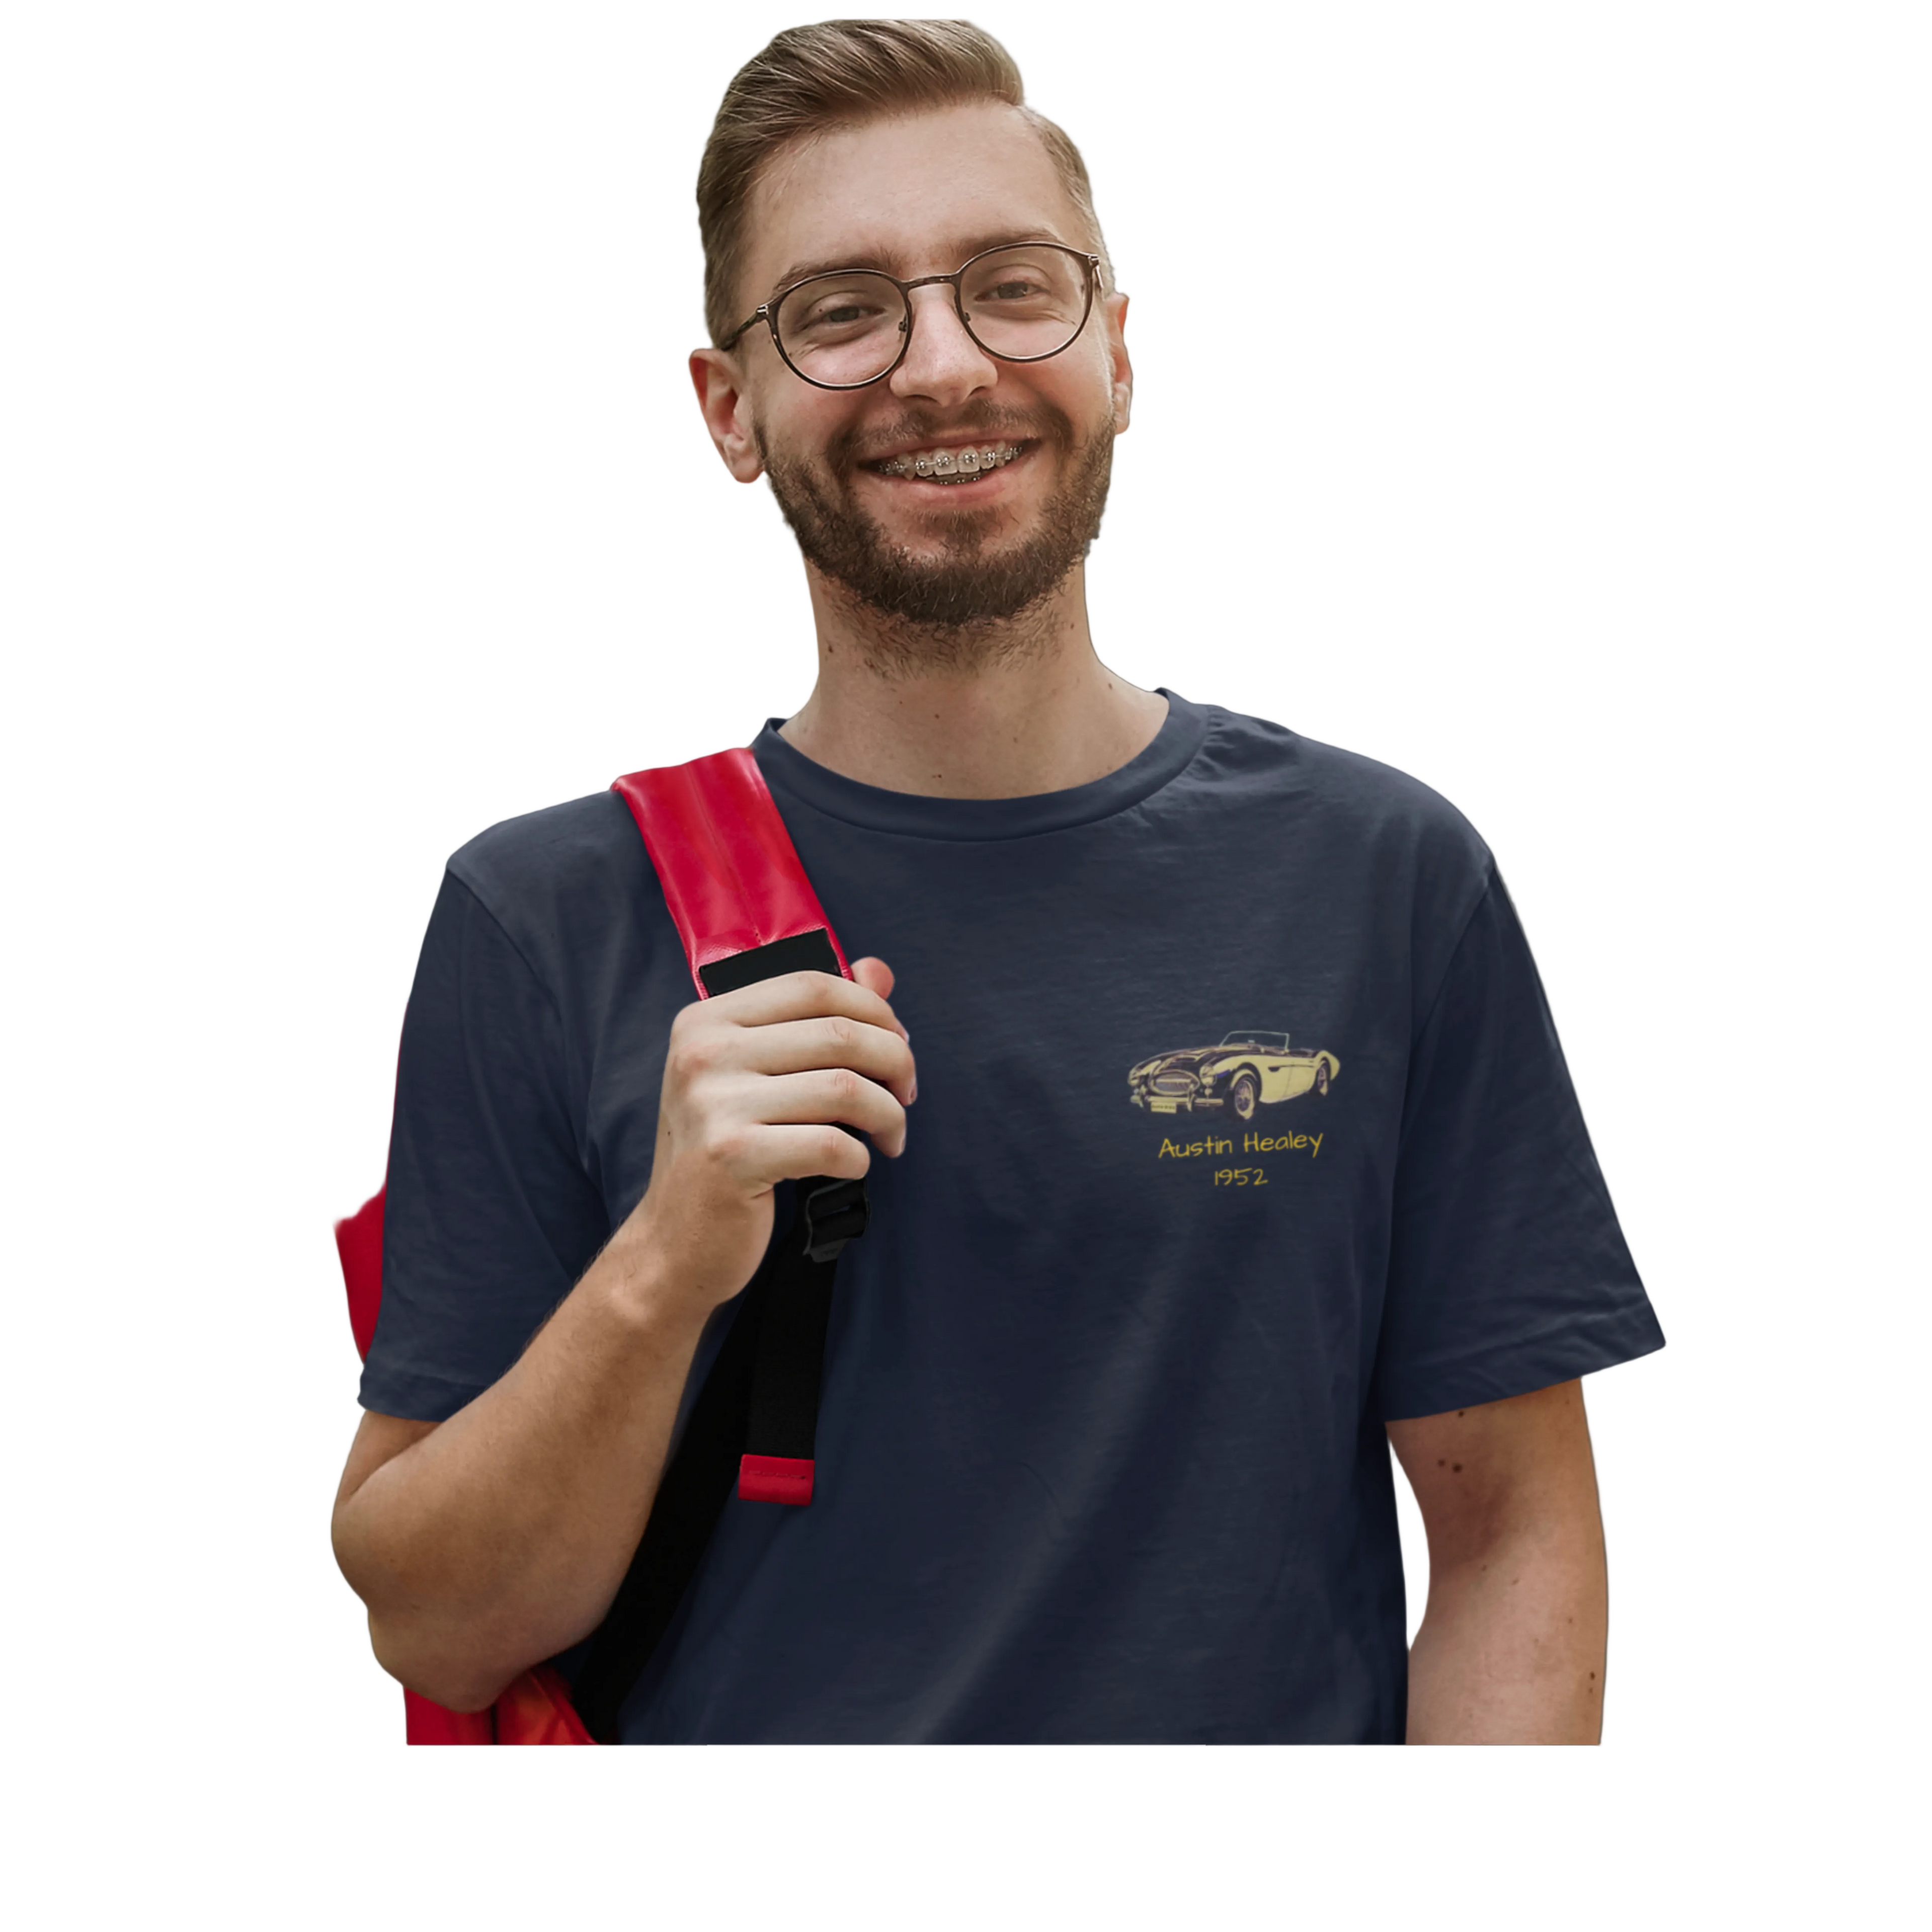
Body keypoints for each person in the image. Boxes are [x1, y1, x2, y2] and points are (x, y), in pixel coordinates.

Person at [331, 18, 1664, 1744]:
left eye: (1011, 287)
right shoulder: (543, 918)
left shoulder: (1383, 881)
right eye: (841, 310)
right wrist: (665, 1260)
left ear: (1115, 347)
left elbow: (1511, 1534)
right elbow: (433, 1627)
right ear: (731, 411)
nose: (940, 364)